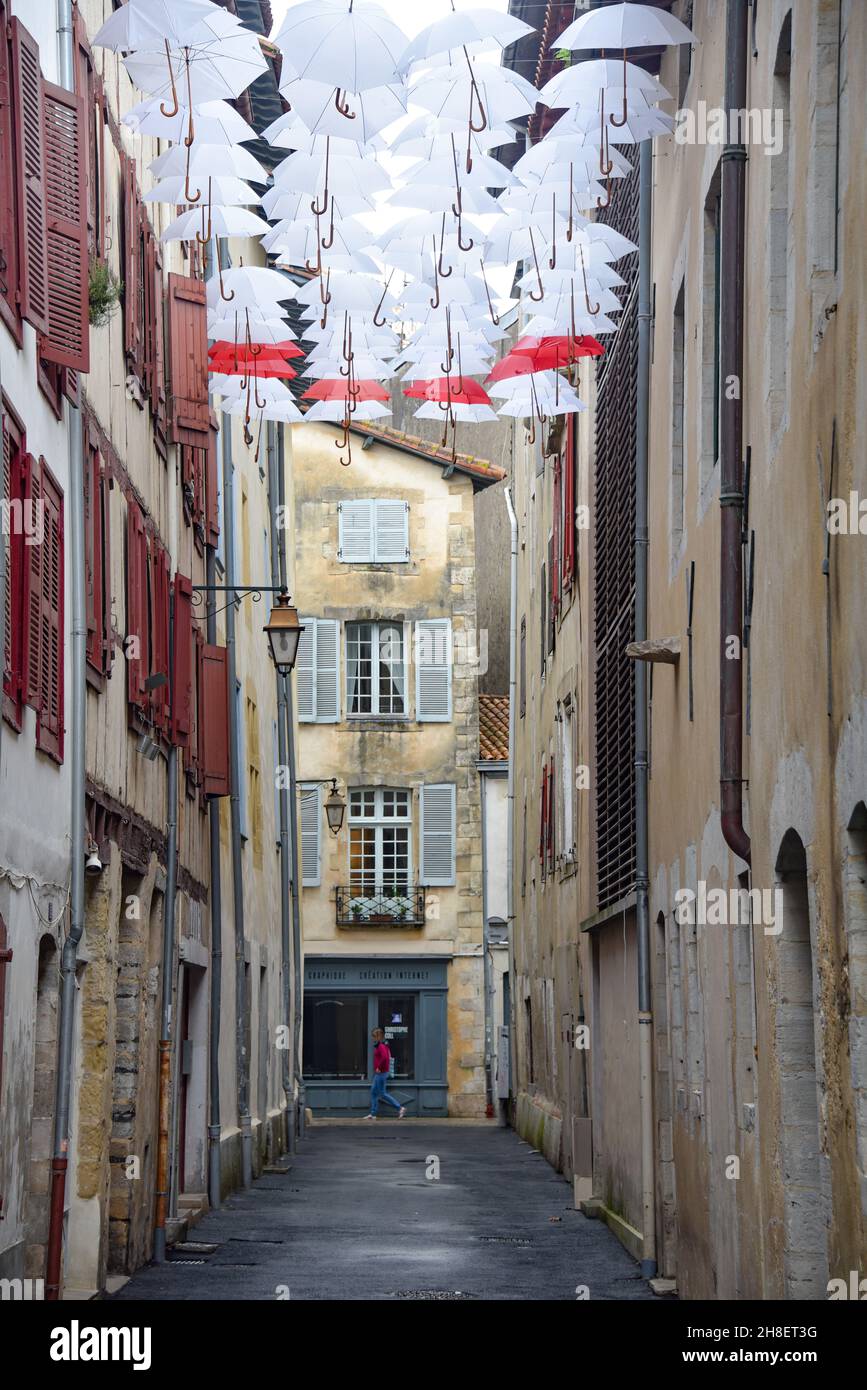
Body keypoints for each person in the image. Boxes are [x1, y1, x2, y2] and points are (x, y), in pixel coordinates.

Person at [363, 1027, 405, 1119]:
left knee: (382, 1093)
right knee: (374, 1092)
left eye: (374, 1036)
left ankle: (400, 1108)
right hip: (380, 1073)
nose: (373, 1038)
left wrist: (378, 1067)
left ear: (379, 1036)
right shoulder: (381, 1045)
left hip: (381, 1073)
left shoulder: (381, 1046)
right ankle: (373, 1114)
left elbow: (385, 1058)